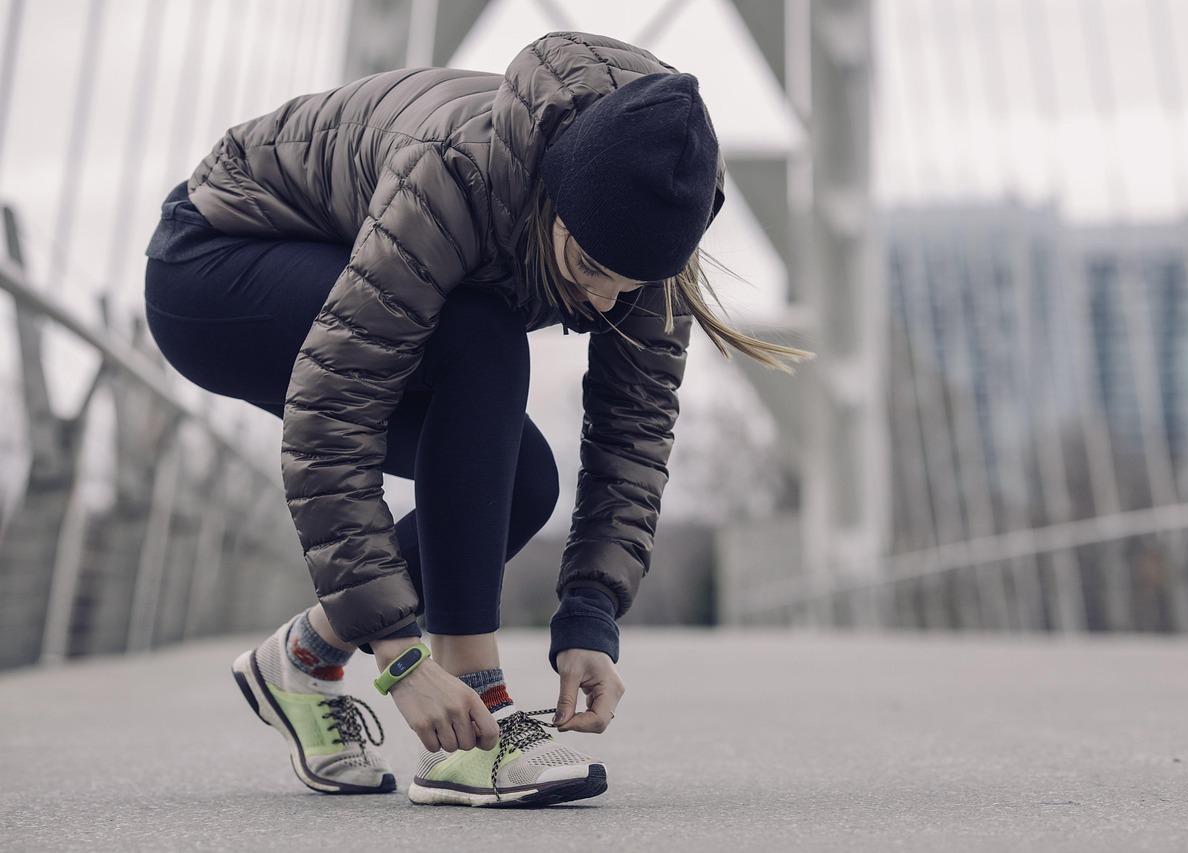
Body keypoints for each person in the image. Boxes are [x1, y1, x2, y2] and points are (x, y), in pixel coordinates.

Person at [143, 31, 807, 807]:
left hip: (339, 277)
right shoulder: (454, 175)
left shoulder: (657, 216)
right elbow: (332, 417)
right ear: (554, 200)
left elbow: (633, 431)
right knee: (480, 333)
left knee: (520, 482)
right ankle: (477, 706)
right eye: (590, 268)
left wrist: (590, 615)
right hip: (216, 262)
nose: (603, 302)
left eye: (630, 285)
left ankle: (303, 656)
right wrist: (398, 655)